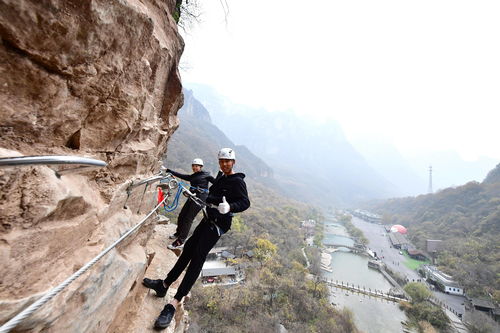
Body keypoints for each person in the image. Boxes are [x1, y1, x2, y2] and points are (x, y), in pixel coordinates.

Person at [143, 148, 250, 330]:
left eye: (227, 161)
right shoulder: (221, 177)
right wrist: (207, 198)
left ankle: (173, 304)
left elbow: (245, 202)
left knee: (196, 260)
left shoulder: (237, 181)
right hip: (207, 220)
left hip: (216, 226)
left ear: (233, 162)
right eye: (222, 161)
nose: (224, 164)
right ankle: (164, 284)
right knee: (187, 252)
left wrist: (230, 207)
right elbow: (213, 194)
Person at [165, 158, 214, 249]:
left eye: (197, 166)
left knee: (188, 218)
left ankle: (181, 241)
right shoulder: (193, 176)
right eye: (193, 166)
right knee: (182, 215)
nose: (194, 167)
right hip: (193, 196)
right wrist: (170, 171)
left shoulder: (207, 175)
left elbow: (216, 183)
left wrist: (213, 196)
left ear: (201, 167)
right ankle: (178, 233)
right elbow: (183, 176)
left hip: (200, 199)